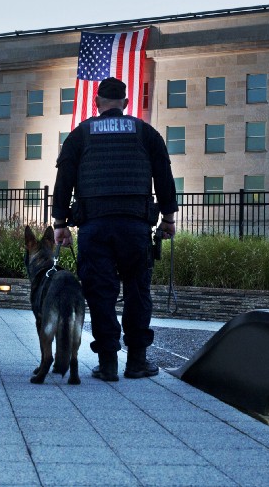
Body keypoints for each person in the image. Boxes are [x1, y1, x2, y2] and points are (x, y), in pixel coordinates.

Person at [52, 77, 177, 381]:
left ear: (96, 102)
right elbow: (164, 176)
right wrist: (168, 219)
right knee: (137, 292)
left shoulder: (80, 135)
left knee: (100, 294)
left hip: (94, 227)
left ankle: (107, 363)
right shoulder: (145, 132)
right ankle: (136, 362)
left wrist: (60, 224)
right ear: (125, 103)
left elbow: (63, 180)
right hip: (135, 227)